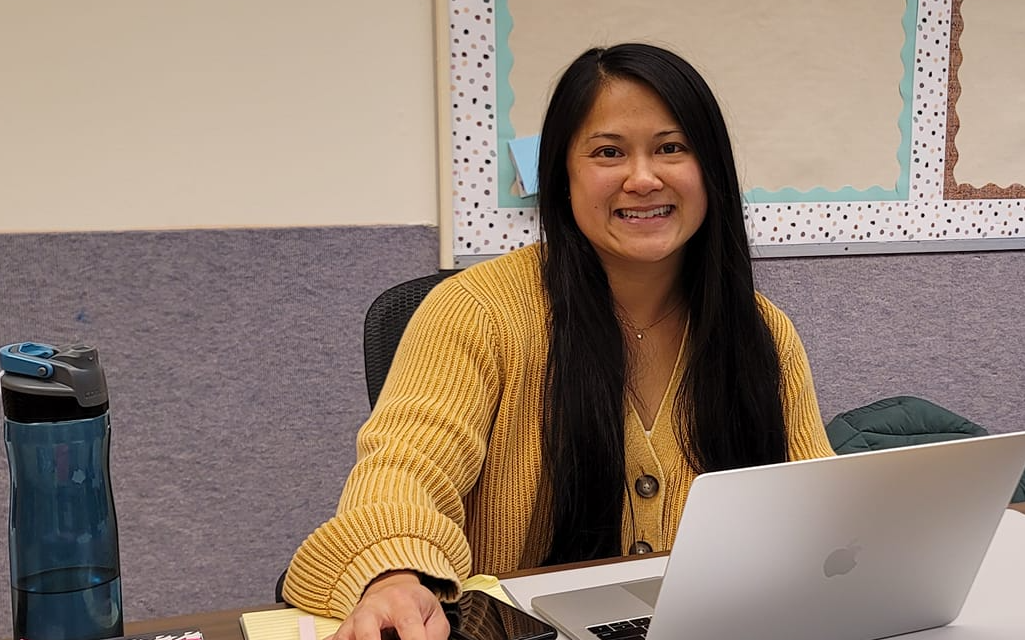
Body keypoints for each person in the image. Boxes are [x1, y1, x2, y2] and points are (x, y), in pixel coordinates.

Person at [283, 43, 837, 640]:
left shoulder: (761, 329)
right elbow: (406, 469)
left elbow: (821, 510)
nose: (644, 178)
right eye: (608, 152)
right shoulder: (476, 313)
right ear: (562, 177)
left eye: (671, 148)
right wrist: (394, 577)